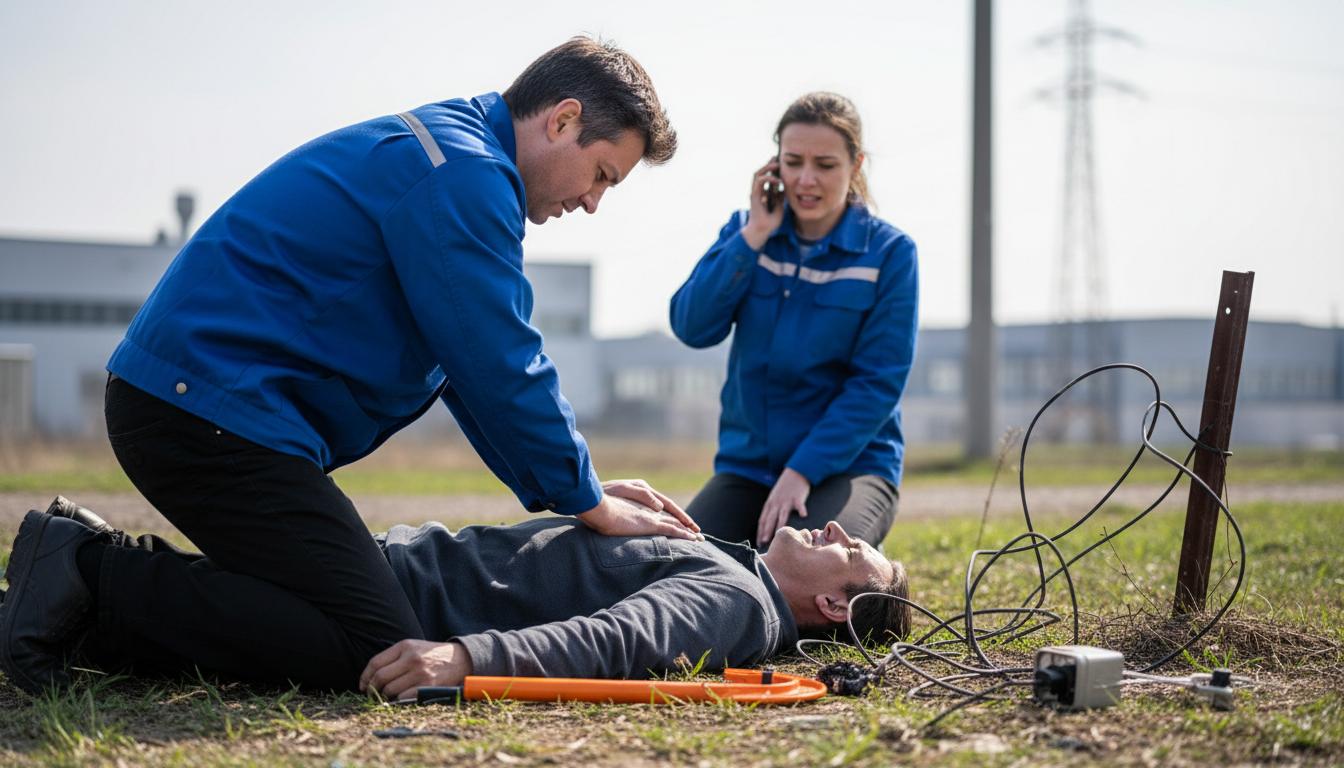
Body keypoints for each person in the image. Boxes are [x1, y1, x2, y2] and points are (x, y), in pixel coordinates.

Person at [82, 36, 700, 695]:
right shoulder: (463, 174)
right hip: (201, 415)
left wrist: (574, 490)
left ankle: (86, 577)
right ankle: (82, 578)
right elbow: (502, 361)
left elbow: (470, 367)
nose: (593, 202)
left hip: (204, 410)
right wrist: (589, 499)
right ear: (564, 120)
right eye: (603, 174)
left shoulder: (458, 157)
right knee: (371, 649)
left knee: (340, 615)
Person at [0, 499, 911, 698]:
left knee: (309, 648)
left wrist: (469, 657)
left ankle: (85, 585)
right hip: (399, 588)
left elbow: (614, 637)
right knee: (330, 658)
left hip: (409, 582)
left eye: (855, 552)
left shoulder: (734, 603)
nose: (837, 530)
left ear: (838, 609)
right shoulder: (721, 562)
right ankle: (93, 566)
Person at [670, 92, 918, 550]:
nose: (806, 179)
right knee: (681, 565)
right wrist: (754, 235)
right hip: (748, 469)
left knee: (803, 574)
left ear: (855, 164)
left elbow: (877, 383)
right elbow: (692, 325)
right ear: (773, 164)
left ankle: (861, 567)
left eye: (825, 164)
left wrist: (802, 471)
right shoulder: (745, 232)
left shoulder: (890, 255)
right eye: (793, 161)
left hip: (850, 468)